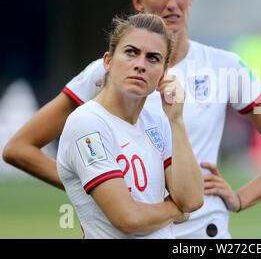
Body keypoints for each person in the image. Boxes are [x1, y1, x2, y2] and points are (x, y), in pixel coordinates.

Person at [3, 0, 261, 239]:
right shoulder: (107, 71)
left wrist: (240, 198)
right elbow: (20, 147)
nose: (172, 3)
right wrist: (94, 186)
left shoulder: (227, 67)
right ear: (138, 0)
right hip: (134, 229)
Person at [57, 13, 203, 238]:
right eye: (131, 52)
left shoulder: (158, 121)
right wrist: (176, 209)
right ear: (108, 61)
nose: (140, 65)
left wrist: (176, 120)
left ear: (163, 74)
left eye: (153, 58)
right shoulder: (87, 123)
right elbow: (128, 219)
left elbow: (192, 199)